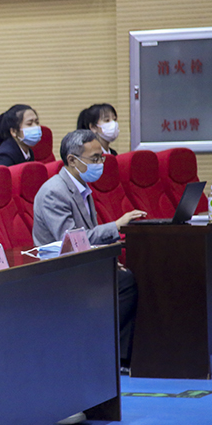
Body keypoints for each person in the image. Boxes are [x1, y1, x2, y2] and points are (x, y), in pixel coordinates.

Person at [33, 129, 146, 372]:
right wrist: (116, 225)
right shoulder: (54, 192)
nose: (100, 163)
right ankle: (110, 356)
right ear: (72, 160)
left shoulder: (80, 186)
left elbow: (87, 239)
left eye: (102, 157)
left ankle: (117, 355)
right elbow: (71, 241)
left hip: (81, 263)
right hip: (59, 269)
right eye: (95, 159)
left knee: (129, 276)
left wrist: (106, 259)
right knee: (125, 283)